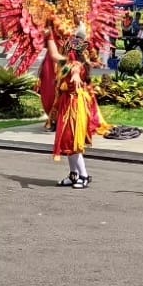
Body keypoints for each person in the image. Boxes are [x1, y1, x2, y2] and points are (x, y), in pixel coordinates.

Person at [45, 24, 106, 189]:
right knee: (66, 140)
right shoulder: (69, 61)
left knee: (73, 141)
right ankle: (74, 175)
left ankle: (84, 176)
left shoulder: (78, 64)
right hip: (67, 103)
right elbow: (57, 57)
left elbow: (76, 68)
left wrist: (76, 73)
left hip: (75, 104)